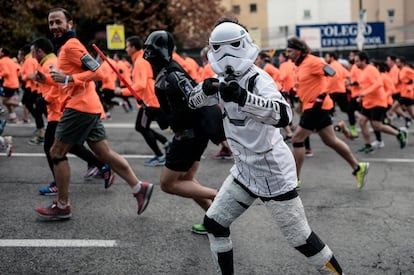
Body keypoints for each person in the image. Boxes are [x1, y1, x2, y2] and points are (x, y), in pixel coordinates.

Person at [188, 19, 344, 275]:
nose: (226, 56)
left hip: (273, 174)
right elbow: (192, 103)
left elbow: (284, 116)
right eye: (220, 48)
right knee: (214, 224)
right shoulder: (218, 79)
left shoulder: (259, 79)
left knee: (301, 238)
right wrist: (204, 91)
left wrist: (243, 97)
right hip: (243, 172)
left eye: (231, 47)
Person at [35, 7, 153, 220]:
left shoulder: (71, 46)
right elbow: (79, 73)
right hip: (88, 106)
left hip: (80, 107)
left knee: (56, 152)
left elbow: (98, 72)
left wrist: (69, 79)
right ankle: (139, 187)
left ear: (70, 23)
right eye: (51, 23)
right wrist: (61, 78)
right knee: (104, 153)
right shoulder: (67, 47)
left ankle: (62, 205)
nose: (54, 27)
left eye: (58, 22)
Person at [143, 30, 219, 234]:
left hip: (189, 135)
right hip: (192, 133)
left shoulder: (172, 74)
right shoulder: (164, 73)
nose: (149, 56)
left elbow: (191, 104)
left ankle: (223, 197)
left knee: (168, 184)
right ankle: (216, 221)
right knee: (186, 181)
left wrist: (163, 116)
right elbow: (177, 107)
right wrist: (158, 113)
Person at [286, 37, 369, 190]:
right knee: (330, 141)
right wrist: (294, 93)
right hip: (310, 106)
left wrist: (323, 94)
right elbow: (305, 83)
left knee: (297, 138)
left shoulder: (313, 61)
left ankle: (294, 180)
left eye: (290, 51)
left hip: (317, 107)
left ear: (299, 50)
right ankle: (358, 168)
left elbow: (333, 73)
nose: (287, 54)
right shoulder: (298, 65)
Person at [31, 37, 109, 195]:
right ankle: (104, 167)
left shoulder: (65, 50)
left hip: (63, 109)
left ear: (40, 51)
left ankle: (59, 189)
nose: (31, 55)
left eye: (33, 51)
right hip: (66, 108)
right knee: (74, 147)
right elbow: (59, 82)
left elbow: (94, 74)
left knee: (53, 149)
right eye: (51, 23)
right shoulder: (55, 58)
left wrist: (47, 98)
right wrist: (46, 80)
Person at [115, 36, 170, 167]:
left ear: (133, 47)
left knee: (142, 127)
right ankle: (166, 144)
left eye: (127, 46)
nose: (126, 49)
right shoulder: (140, 59)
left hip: (149, 101)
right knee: (142, 127)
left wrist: (121, 92)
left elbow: (140, 85)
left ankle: (160, 155)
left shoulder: (140, 61)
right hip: (149, 99)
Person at [353, 52, 407, 153]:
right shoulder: (362, 71)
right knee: (361, 121)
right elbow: (365, 86)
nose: (355, 63)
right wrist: (361, 96)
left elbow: (378, 84)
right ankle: (368, 145)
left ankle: (399, 134)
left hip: (378, 102)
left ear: (363, 61)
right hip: (368, 103)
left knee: (377, 125)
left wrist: (364, 93)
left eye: (357, 61)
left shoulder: (371, 70)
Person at [198, 46, 232, 160]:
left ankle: (227, 148)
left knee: (215, 126)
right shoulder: (218, 66)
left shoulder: (208, 67)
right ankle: (226, 147)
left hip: (212, 100)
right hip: (220, 99)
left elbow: (203, 85)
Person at [0, 47, 21, 123]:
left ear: (3, 53)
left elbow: (6, 72)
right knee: (7, 101)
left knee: (4, 101)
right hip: (15, 83)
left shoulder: (2, 61)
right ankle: (13, 116)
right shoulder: (11, 60)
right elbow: (19, 69)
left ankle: (19, 104)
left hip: (8, 84)